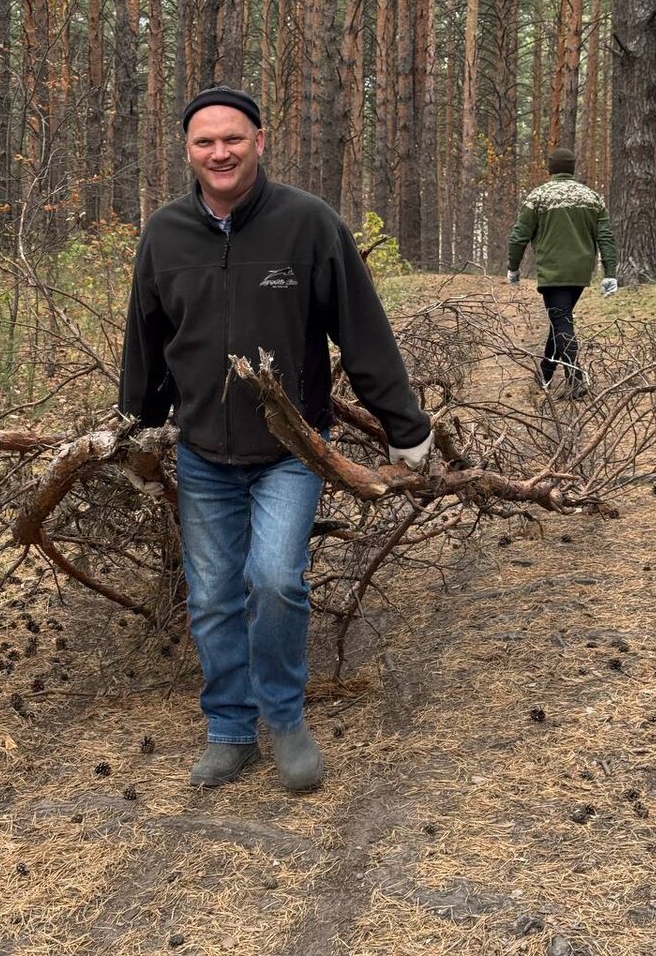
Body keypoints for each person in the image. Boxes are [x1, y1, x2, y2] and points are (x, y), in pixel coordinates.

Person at [119, 86, 431, 792]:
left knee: (276, 580)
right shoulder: (165, 233)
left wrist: (405, 427)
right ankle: (231, 732)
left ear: (260, 141)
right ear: (188, 150)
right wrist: (138, 425)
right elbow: (146, 336)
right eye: (204, 142)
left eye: (232, 138)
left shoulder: (308, 224)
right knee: (212, 596)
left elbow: (362, 329)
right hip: (202, 451)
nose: (219, 152)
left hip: (292, 449)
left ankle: (285, 719)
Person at [507, 147, 618, 398]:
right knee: (560, 320)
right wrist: (610, 272)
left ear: (551, 168)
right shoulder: (592, 197)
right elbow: (606, 236)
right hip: (580, 273)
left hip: (553, 272)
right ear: (572, 167)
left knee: (561, 321)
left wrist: (513, 267)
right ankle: (545, 373)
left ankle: (575, 378)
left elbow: (519, 235)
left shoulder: (538, 196)